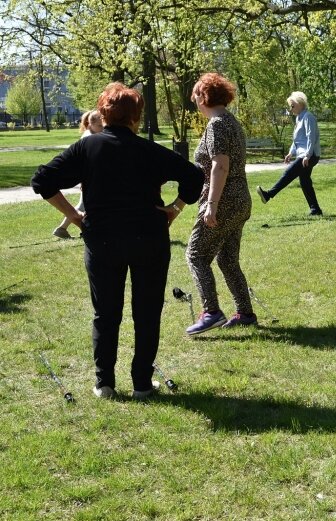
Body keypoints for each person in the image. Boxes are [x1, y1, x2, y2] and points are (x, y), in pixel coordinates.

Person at [31, 82, 203, 399]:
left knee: (106, 312)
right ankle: (141, 384)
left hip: (103, 240)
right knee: (147, 312)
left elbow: (42, 180)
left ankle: (105, 384)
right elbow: (194, 177)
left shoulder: (87, 147)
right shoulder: (149, 150)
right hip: (148, 238)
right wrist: (174, 209)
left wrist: (74, 216)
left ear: (104, 113)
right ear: (135, 117)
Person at [185, 72, 257, 335]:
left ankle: (211, 312)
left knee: (196, 255)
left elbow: (220, 165)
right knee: (227, 259)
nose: (195, 102)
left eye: (195, 97)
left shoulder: (216, 124)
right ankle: (245, 313)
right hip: (240, 200)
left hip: (224, 199)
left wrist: (211, 204)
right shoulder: (231, 122)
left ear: (203, 97)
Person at [256, 91, 322, 216]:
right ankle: (316, 210)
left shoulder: (308, 117)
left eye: (292, 106)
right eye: (290, 106)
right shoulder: (299, 118)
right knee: (305, 182)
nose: (291, 109)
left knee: (289, 173)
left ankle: (268, 195)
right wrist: (291, 153)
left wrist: (307, 155)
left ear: (300, 103)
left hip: (310, 155)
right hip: (304, 154)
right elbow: (298, 139)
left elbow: (310, 137)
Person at [52, 110, 103, 239]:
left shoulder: (90, 135)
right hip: (88, 178)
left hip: (90, 177)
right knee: (83, 205)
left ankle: (66, 228)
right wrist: (83, 181)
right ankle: (64, 228)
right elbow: (85, 163)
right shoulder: (88, 138)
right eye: (100, 126)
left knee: (84, 205)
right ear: (91, 124)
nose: (103, 129)